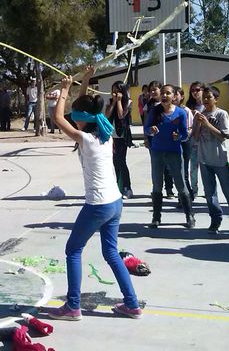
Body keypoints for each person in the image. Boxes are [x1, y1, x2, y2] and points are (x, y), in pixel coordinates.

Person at [47, 66, 142, 320]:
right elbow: (89, 106)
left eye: (75, 115)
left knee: (73, 250)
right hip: (115, 202)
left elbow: (58, 119)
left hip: (98, 205)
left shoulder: (86, 139)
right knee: (111, 253)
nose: (72, 117)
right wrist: (86, 79)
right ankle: (132, 304)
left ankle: (73, 306)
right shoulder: (105, 133)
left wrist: (65, 89)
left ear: (82, 117)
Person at [193, 85, 229, 235]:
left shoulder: (221, 114)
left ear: (216, 99)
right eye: (204, 97)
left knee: (228, 190)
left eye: (209, 97)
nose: (205, 100)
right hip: (204, 159)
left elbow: (223, 136)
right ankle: (215, 219)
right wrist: (198, 123)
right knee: (210, 192)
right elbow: (195, 137)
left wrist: (207, 124)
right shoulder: (200, 114)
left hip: (219, 159)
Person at [144, 85, 195, 228]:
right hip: (157, 152)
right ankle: (156, 217)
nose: (165, 96)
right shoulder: (154, 111)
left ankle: (189, 216)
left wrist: (179, 136)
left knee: (181, 184)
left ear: (174, 96)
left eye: (168, 93)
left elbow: (185, 134)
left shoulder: (181, 113)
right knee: (157, 185)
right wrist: (151, 132)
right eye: (163, 93)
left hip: (174, 152)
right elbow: (146, 128)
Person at [144, 81, 174, 198]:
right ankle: (156, 189)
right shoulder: (149, 105)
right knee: (156, 165)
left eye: (155, 89)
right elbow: (145, 123)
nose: (152, 92)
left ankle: (169, 189)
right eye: (151, 90)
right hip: (153, 140)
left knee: (168, 165)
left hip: (167, 139)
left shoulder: (169, 104)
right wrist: (146, 138)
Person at [105, 81, 133, 199]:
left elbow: (121, 115)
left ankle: (127, 188)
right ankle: (118, 187)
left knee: (122, 161)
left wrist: (120, 102)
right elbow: (107, 115)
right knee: (115, 162)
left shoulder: (128, 102)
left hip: (122, 135)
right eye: (113, 91)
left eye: (118, 91)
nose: (115, 93)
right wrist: (113, 103)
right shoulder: (110, 102)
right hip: (112, 135)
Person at [173, 86, 194, 201]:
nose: (174, 97)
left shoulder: (186, 111)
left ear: (182, 97)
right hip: (173, 144)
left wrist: (182, 136)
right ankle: (188, 194)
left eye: (177, 94)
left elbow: (190, 128)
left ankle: (185, 198)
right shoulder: (169, 110)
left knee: (183, 172)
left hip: (185, 143)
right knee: (177, 171)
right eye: (173, 94)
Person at [185, 81, 205, 200]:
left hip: (206, 141)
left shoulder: (207, 105)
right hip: (193, 141)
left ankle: (209, 189)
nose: (195, 93)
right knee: (193, 168)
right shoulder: (189, 107)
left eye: (197, 90)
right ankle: (194, 189)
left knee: (207, 168)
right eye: (192, 90)